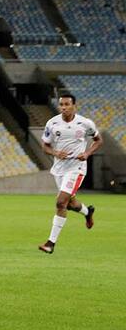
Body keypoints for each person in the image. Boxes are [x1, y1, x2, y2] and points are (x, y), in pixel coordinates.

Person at [39, 93, 101, 254]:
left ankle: (51, 243)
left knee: (60, 203)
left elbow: (98, 140)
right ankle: (88, 212)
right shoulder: (52, 123)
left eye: (67, 104)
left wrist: (87, 154)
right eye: (61, 105)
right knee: (71, 204)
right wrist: (55, 152)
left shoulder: (85, 123)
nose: (64, 107)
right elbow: (45, 146)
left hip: (77, 168)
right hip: (59, 168)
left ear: (74, 106)